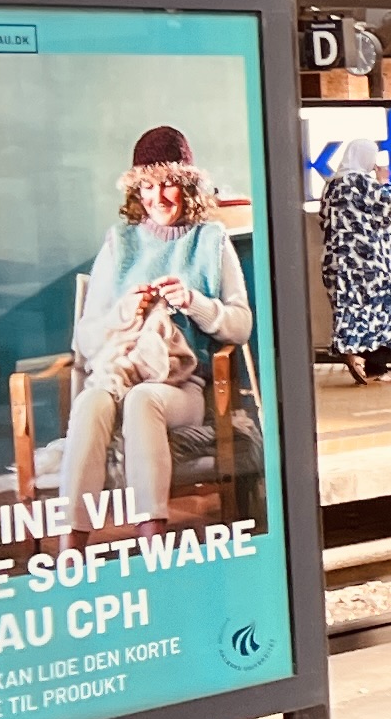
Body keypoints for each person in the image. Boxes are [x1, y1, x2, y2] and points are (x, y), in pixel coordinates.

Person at [62, 125, 254, 528]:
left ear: (188, 186)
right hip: (119, 375)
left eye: (168, 184)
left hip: (183, 389)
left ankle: (153, 537)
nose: (158, 197)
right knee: (90, 402)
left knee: (143, 399)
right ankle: (70, 545)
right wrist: (125, 312)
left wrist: (194, 302)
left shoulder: (211, 240)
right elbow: (87, 339)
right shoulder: (120, 242)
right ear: (136, 190)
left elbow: (240, 327)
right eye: (147, 186)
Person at [317, 137, 391, 385]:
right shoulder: (363, 183)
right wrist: (385, 182)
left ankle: (355, 353)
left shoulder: (332, 185)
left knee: (350, 310)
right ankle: (373, 365)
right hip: (370, 265)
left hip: (337, 264)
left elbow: (323, 219)